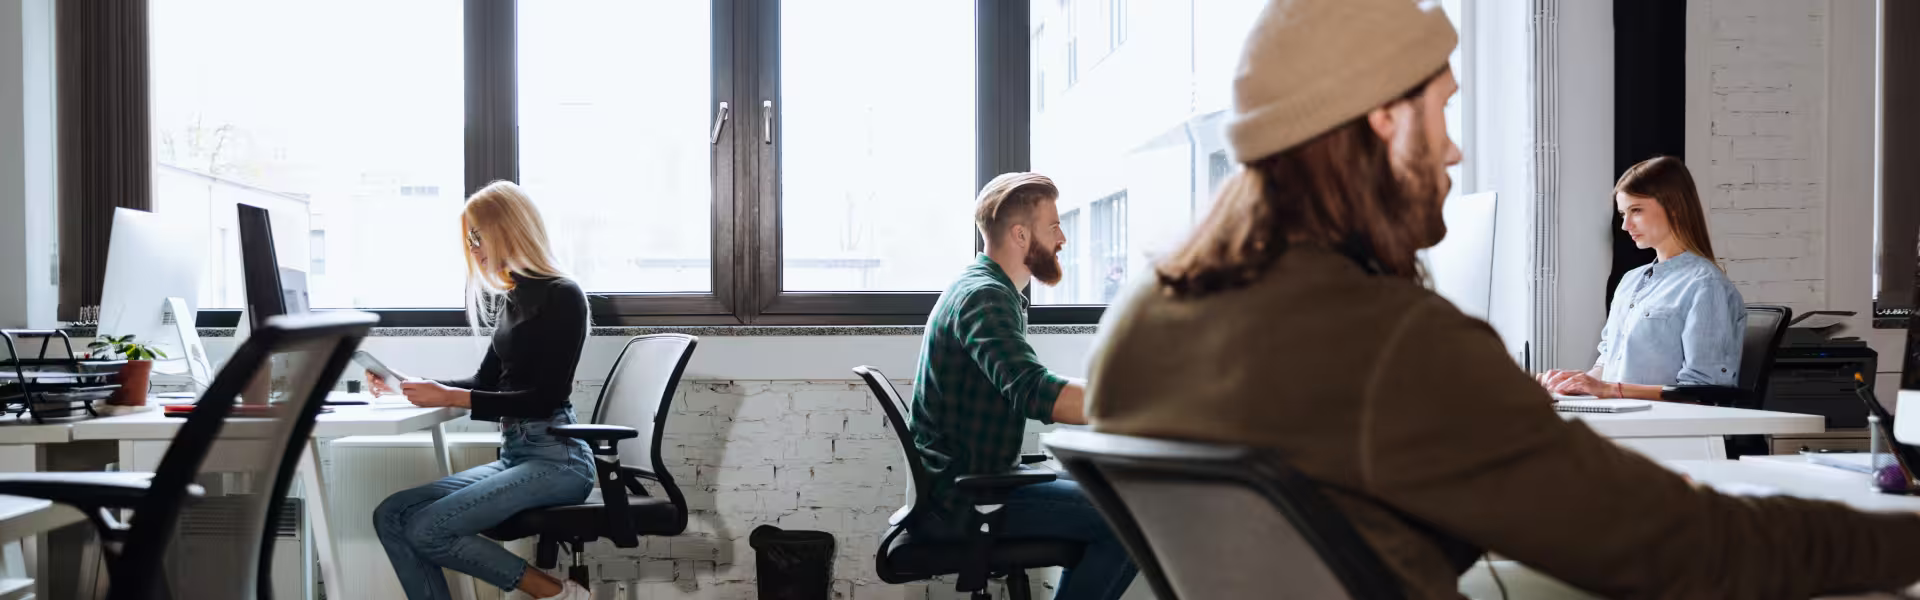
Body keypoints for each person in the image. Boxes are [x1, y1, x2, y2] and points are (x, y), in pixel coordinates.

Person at [1084, 0, 1920, 597]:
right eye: (1441, 111)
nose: (1451, 150)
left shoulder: (1139, 320)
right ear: (1381, 118)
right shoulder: (1392, 341)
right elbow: (1680, 547)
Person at [910, 172, 1137, 600]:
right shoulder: (984, 297)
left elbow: (1030, 384)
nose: (1063, 238)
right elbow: (1033, 391)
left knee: (1119, 497)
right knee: (1131, 521)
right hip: (967, 498)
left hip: (978, 482)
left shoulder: (987, 290)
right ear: (1020, 234)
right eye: (1054, 226)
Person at [369, 181, 595, 600]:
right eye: (468, 239)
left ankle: (559, 594)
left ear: (509, 228)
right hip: (516, 455)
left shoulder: (564, 295)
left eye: (478, 236)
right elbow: (484, 384)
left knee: (428, 528)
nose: (473, 248)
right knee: (392, 514)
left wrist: (451, 398)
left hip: (558, 460)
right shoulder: (514, 300)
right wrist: (405, 383)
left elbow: (544, 397)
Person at [1537, 156, 1746, 400]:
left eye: (1636, 210)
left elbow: (1705, 389)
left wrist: (1608, 390)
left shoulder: (1705, 285)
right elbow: (1608, 362)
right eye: (1622, 213)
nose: (1625, 225)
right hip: (1623, 419)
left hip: (1669, 430)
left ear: (1674, 207)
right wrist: (1575, 382)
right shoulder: (1630, 281)